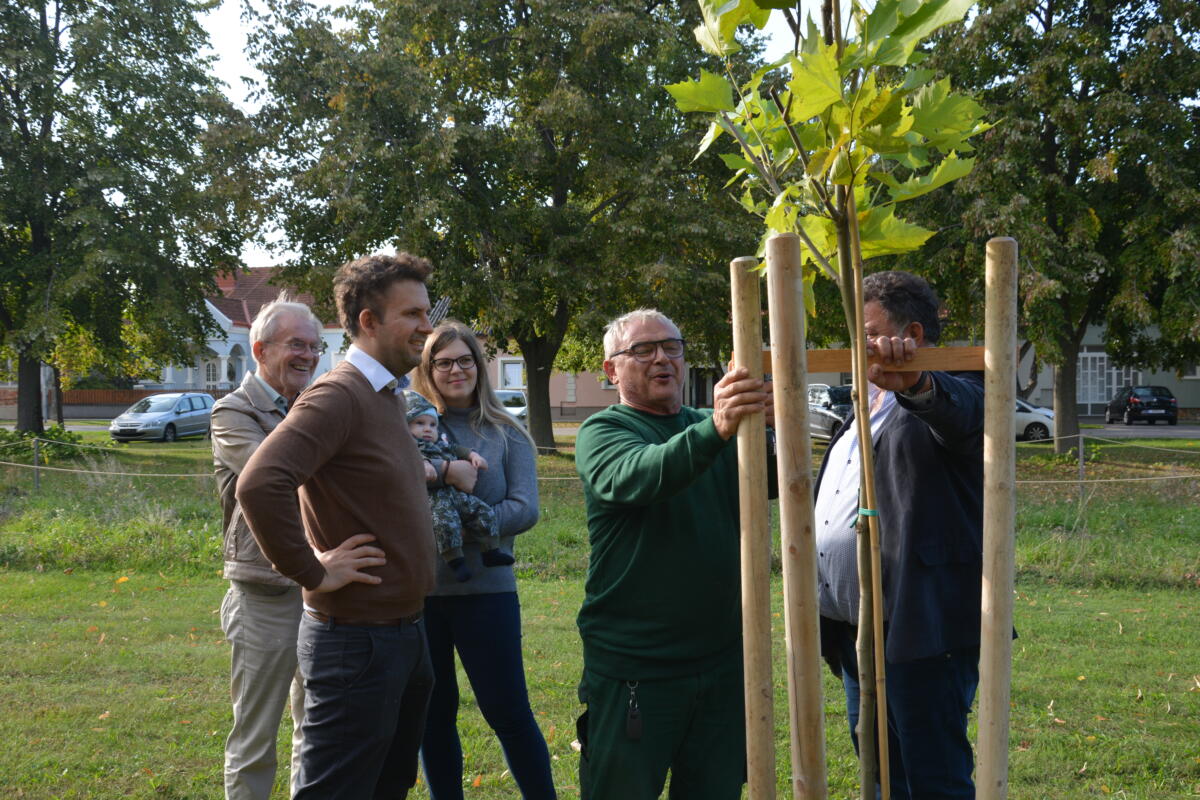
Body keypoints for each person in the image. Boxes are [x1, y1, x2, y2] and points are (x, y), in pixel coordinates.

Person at [235, 253, 438, 799]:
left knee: (387, 786)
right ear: (368, 321)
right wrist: (311, 570)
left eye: (426, 312)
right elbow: (260, 483)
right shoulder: (339, 394)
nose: (427, 326)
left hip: (403, 633)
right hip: (357, 642)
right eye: (413, 314)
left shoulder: (385, 394)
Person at [573, 308, 774, 800]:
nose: (662, 358)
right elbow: (639, 475)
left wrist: (774, 423)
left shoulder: (716, 428)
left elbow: (778, 482)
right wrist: (719, 428)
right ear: (612, 370)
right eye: (642, 350)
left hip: (723, 660)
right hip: (636, 666)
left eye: (672, 347)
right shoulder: (603, 431)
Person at [814, 270, 985, 800]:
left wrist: (916, 383)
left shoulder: (961, 386)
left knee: (930, 776)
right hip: (856, 633)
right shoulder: (860, 406)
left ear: (911, 335)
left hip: (919, 632)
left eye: (869, 335)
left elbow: (962, 412)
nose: (859, 349)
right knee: (878, 769)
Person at [409, 320, 555, 800]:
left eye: (465, 360)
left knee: (508, 713)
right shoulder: (407, 428)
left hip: (487, 593)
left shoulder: (506, 433)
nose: (456, 370)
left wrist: (461, 525)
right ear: (428, 369)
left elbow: (525, 508)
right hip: (421, 595)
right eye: (443, 362)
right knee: (433, 716)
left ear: (479, 365)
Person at [213, 294, 323, 799]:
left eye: (315, 347)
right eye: (296, 344)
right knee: (255, 737)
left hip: (321, 587)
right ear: (260, 350)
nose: (309, 356)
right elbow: (276, 478)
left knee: (315, 728)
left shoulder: (315, 406)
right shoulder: (233, 411)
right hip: (264, 591)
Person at [403, 389, 512, 582]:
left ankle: (491, 551)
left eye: (432, 425)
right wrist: (425, 465)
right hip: (435, 500)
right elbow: (410, 462)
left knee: (482, 511)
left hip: (457, 494)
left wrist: (473, 455)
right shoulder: (409, 447)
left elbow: (456, 449)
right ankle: (456, 561)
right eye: (419, 423)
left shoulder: (440, 443)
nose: (427, 429)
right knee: (444, 523)